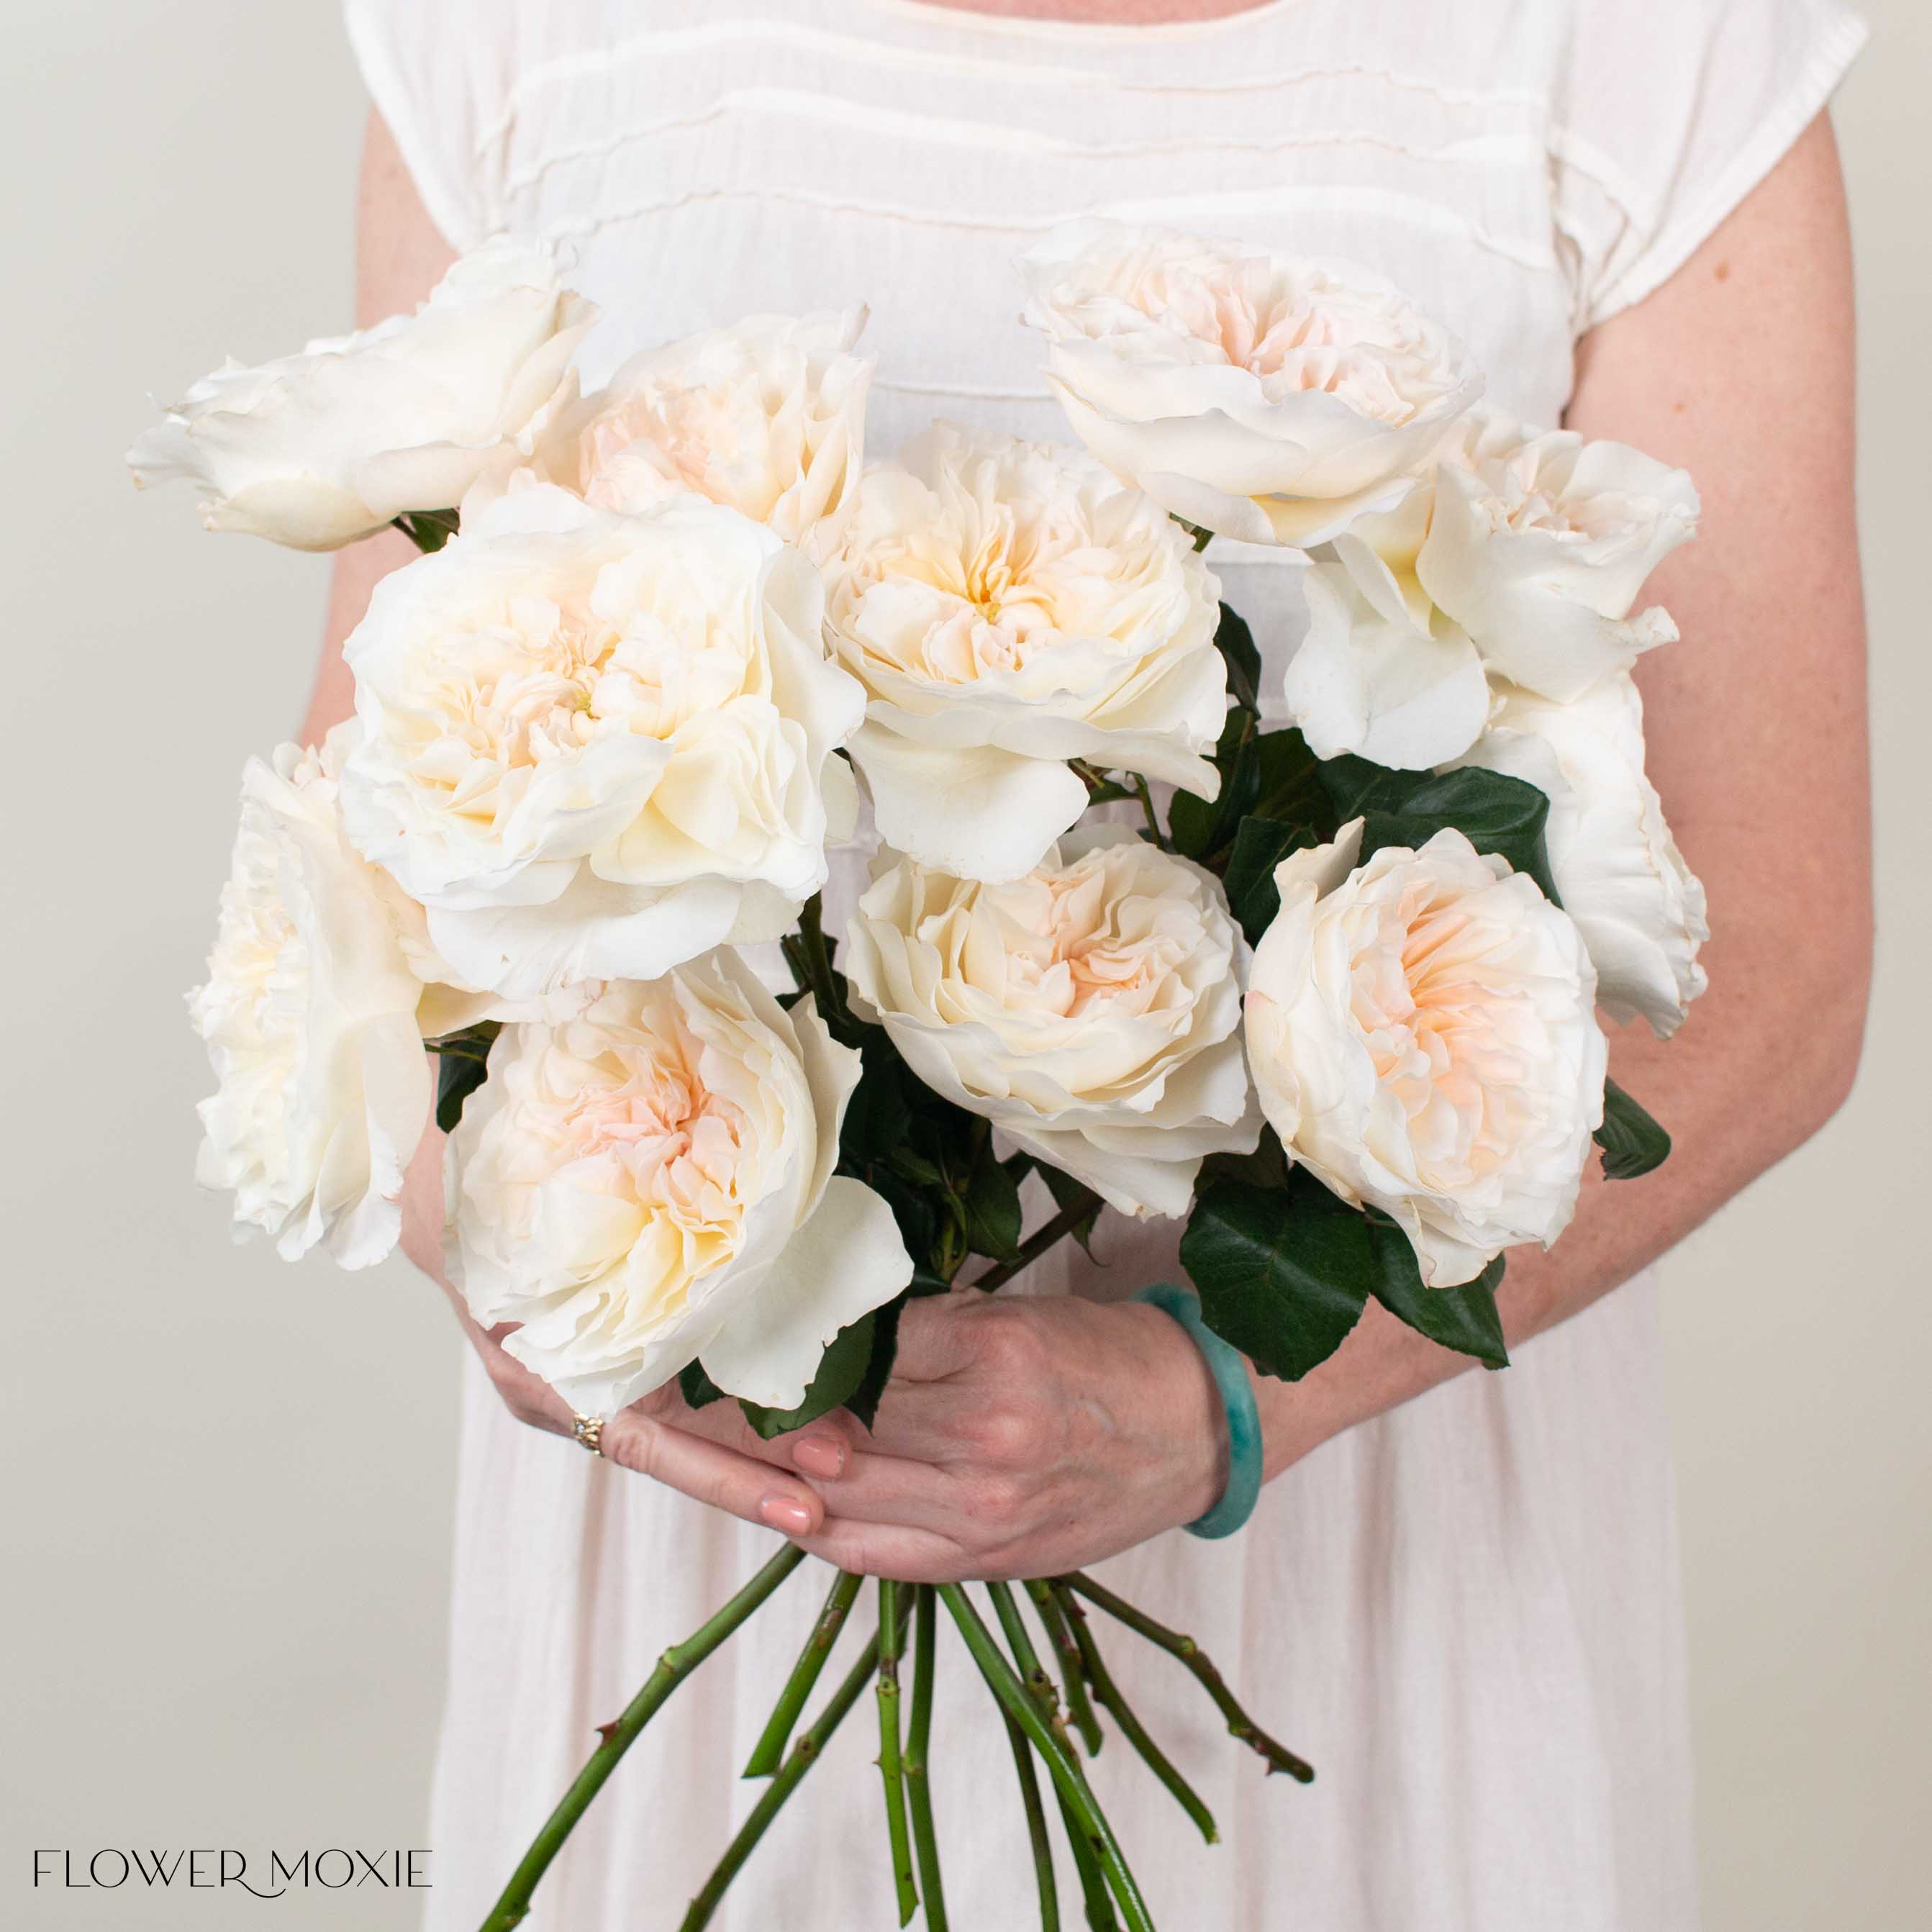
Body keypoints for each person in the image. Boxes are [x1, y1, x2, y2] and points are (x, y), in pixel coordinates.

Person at [309, 2, 1872, 1925]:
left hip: (1366, 1537)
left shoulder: (1653, 48)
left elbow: (1779, 956)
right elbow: (367, 880)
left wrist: (1229, 1395)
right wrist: (560, 1276)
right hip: (725, 1514)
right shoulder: (506, 34)